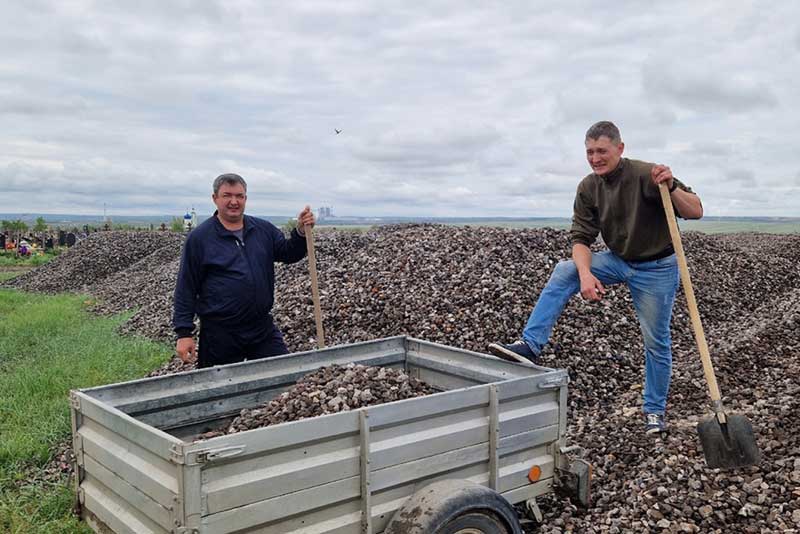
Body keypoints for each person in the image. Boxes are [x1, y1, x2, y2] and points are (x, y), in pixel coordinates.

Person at [489, 121, 703, 434]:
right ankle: (530, 345)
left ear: (620, 148)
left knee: (656, 342)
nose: (595, 158)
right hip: (618, 260)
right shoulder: (589, 187)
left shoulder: (648, 174)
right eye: (589, 152)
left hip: (657, 268)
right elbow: (580, 239)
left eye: (601, 151)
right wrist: (586, 275)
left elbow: (696, 210)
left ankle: (654, 412)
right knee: (566, 270)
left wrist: (670, 187)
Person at [173, 173, 316, 368]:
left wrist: (300, 232)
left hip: (260, 327)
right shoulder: (200, 238)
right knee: (220, 390)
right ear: (215, 198)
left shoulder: (263, 230)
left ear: (245, 199)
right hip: (220, 333)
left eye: (239, 196)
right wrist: (184, 333)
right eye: (227, 195)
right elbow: (186, 287)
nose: (234, 201)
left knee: (283, 379)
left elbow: (288, 253)